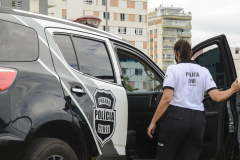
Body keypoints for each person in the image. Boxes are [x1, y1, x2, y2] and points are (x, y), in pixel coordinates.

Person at [147, 39, 240, 160]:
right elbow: (217, 96)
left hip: (175, 117)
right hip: (197, 120)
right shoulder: (204, 71)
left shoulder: (173, 69)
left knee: (165, 155)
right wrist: (233, 89)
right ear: (191, 53)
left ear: (176, 53)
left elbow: (166, 98)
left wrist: (153, 121)